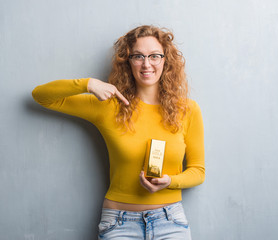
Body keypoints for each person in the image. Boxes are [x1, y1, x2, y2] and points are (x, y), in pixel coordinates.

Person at [32, 25, 205, 239]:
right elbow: (41, 96)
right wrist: (88, 84)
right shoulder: (109, 105)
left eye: (154, 56)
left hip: (171, 221)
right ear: (128, 61)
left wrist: (170, 182)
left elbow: (198, 171)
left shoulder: (187, 110)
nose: (146, 63)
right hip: (119, 224)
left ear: (165, 60)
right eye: (138, 56)